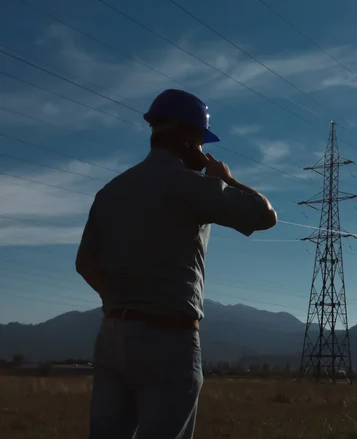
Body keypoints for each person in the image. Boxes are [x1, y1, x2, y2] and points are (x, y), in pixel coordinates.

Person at [75, 89, 277, 439]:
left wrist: (119, 303)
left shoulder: (110, 191)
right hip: (168, 337)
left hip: (112, 334)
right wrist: (225, 178)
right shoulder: (192, 185)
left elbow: (84, 264)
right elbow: (265, 216)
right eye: (200, 141)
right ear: (187, 139)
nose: (203, 151)